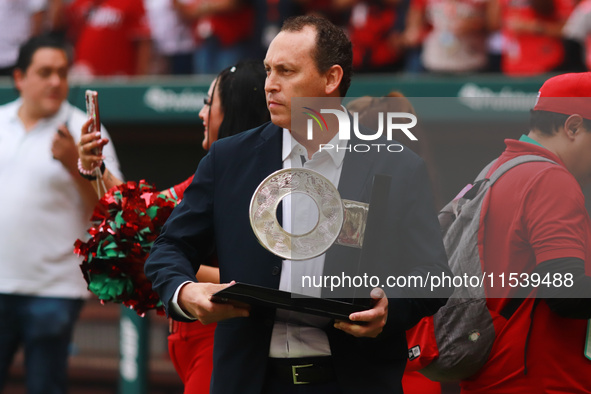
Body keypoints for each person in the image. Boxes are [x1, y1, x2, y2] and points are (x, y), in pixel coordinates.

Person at [145, 15, 451, 394]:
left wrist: (391, 308)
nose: (269, 85)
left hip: (353, 381)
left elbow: (433, 275)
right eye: (269, 70)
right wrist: (185, 292)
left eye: (286, 72)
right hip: (247, 381)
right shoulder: (229, 159)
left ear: (331, 78)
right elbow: (169, 248)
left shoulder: (396, 165)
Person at [78, 59, 270, 393]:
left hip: (221, 342)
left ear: (233, 112)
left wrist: (185, 273)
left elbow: (256, 281)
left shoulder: (258, 180)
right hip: (195, 339)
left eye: (209, 103)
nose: (201, 113)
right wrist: (95, 170)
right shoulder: (215, 172)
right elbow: (145, 215)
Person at [0, 35, 122, 394]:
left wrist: (75, 164)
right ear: (19, 77)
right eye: (45, 72)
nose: (55, 81)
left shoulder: (88, 132)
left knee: (45, 386)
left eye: (62, 73)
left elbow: (115, 214)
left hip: (54, 290)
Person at [460, 72, 591, 393]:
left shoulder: (495, 169)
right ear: (573, 127)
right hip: (540, 380)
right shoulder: (550, 179)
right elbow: (566, 293)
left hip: (492, 374)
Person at [65, 0, 152, 77]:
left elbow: (143, 39)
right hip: (85, 75)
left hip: (117, 76)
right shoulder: (80, 4)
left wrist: (140, 78)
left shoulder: (131, 2)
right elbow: (62, 29)